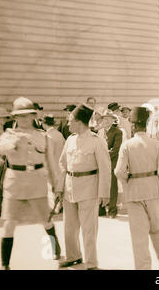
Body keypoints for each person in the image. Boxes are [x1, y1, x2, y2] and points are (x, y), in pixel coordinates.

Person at [0, 97, 62, 270]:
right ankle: (5, 264)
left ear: (33, 116)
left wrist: (56, 184)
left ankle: (56, 250)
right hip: (14, 182)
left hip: (37, 182)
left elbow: (50, 162)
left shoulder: (42, 136)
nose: (24, 119)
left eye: (27, 115)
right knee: (9, 224)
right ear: (15, 118)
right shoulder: (8, 135)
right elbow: (0, 150)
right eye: (20, 116)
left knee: (45, 221)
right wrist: (14, 143)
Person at [114, 106, 159, 270]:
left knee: (138, 235)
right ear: (146, 125)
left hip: (134, 193)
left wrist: (128, 183)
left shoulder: (127, 146)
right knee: (157, 229)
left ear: (133, 126)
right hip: (154, 190)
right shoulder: (156, 145)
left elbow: (118, 171)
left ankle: (143, 267)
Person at [57, 103, 111, 270]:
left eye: (70, 121)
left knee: (89, 229)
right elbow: (62, 164)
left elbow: (105, 168)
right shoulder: (70, 140)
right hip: (69, 189)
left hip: (89, 188)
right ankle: (73, 256)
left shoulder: (97, 141)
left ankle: (91, 263)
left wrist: (104, 193)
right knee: (69, 227)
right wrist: (60, 187)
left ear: (80, 122)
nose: (68, 124)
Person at [97, 110, 123, 218]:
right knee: (101, 185)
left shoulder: (117, 132)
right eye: (104, 118)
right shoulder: (100, 132)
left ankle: (112, 209)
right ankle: (101, 208)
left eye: (109, 119)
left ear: (113, 120)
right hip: (100, 163)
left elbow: (116, 149)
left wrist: (104, 156)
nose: (106, 120)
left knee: (112, 186)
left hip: (112, 162)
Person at [42, 114, 65, 210]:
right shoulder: (59, 134)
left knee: (52, 187)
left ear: (44, 123)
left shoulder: (47, 136)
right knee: (60, 186)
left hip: (52, 165)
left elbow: (48, 154)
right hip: (61, 164)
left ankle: (55, 207)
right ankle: (60, 205)